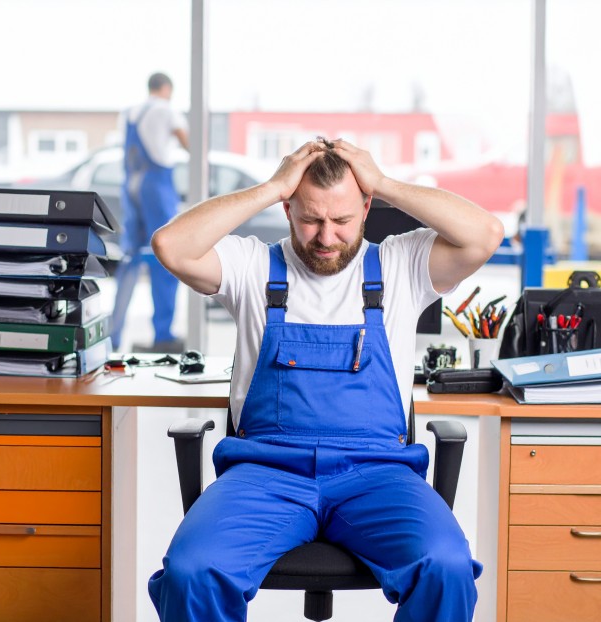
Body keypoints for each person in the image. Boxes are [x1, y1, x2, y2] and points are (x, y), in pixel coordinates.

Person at [148, 138, 504, 621]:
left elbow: (485, 233)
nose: (326, 237)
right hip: (266, 473)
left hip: (376, 473)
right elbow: (170, 245)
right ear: (288, 208)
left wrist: (384, 182)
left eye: (342, 221)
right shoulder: (252, 266)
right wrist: (272, 186)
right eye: (311, 219)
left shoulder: (401, 266)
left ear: (366, 209)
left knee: (445, 565)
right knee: (193, 571)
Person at [111, 71, 190, 353]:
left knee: (130, 259)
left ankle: (113, 337)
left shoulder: (130, 112)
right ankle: (163, 335)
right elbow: (189, 143)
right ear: (167, 88)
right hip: (156, 186)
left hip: (131, 184)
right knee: (164, 254)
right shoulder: (167, 110)